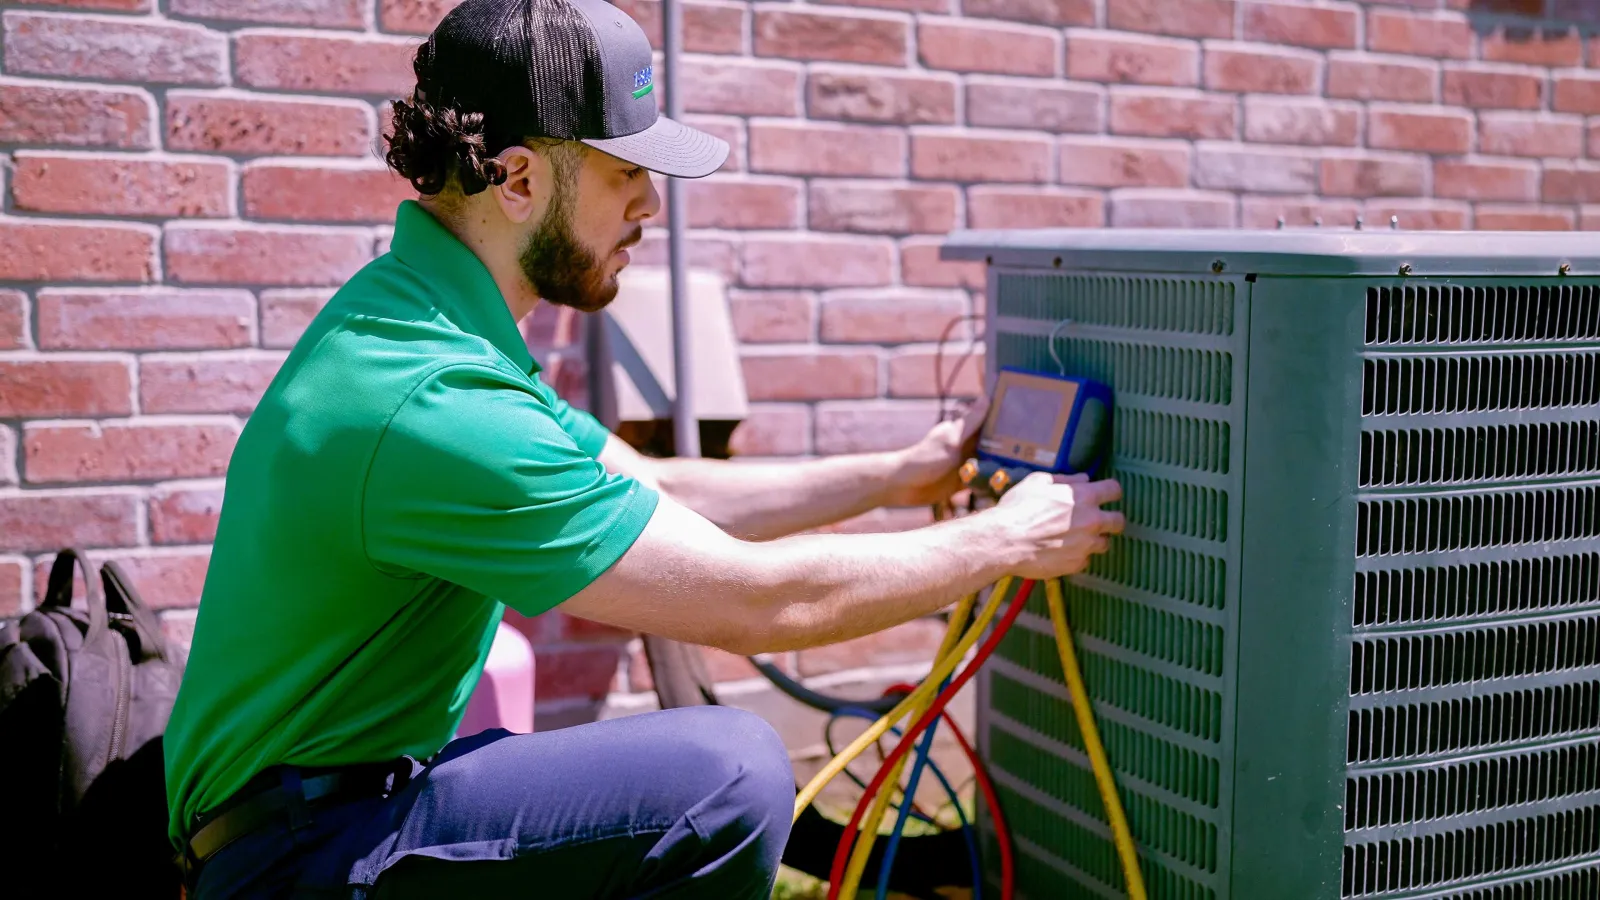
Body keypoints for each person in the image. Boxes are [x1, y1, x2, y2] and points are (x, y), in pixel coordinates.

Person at [161, 0, 1124, 897]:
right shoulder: (435, 401)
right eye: (626, 174)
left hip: (314, 817)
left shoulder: (421, 326)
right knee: (727, 773)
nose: (650, 208)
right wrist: (1005, 541)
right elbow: (760, 602)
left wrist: (897, 474)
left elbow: (657, 484)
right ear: (520, 177)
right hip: (290, 861)